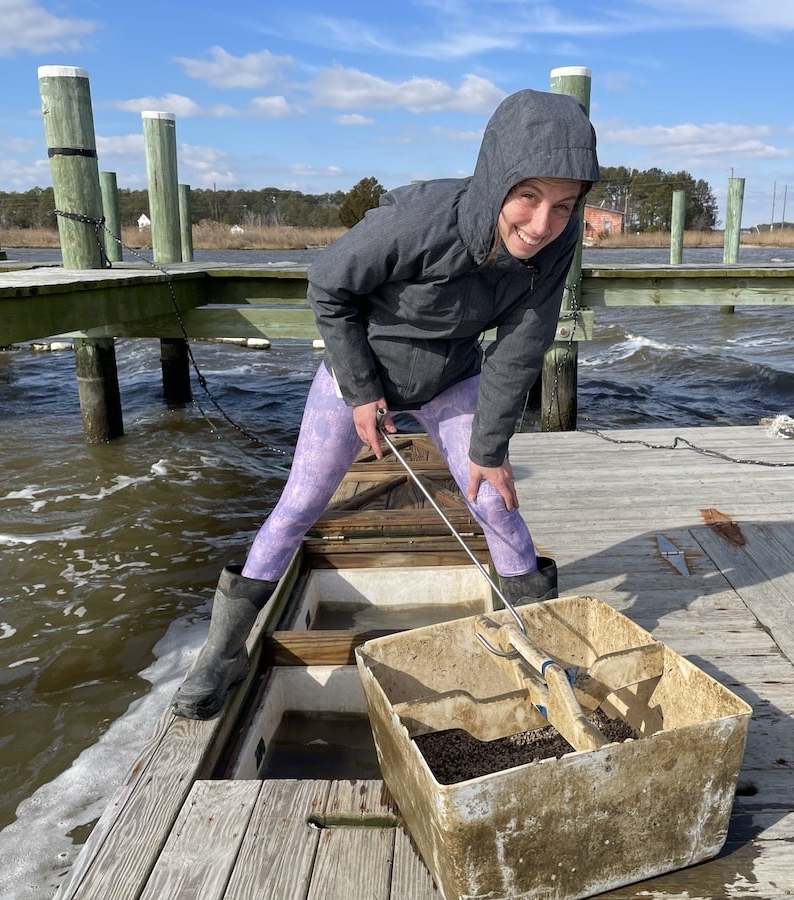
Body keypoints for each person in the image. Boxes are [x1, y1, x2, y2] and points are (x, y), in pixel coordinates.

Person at [174, 88, 600, 719]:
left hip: (453, 377)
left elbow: (523, 341)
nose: (542, 226)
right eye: (528, 197)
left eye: (564, 206)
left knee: (497, 503)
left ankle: (537, 649)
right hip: (362, 370)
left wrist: (489, 449)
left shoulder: (557, 241)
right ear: (496, 181)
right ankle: (222, 652)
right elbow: (328, 288)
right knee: (298, 506)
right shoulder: (418, 220)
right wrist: (362, 392)